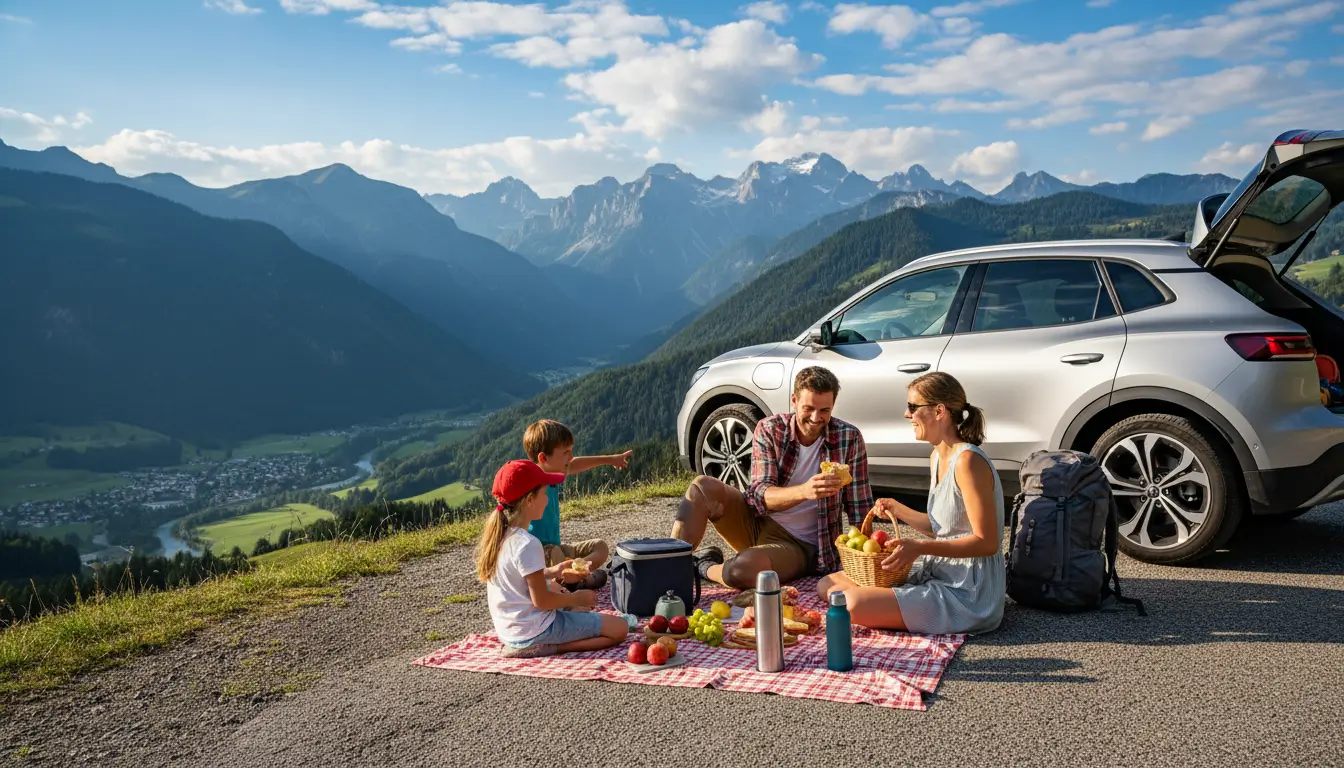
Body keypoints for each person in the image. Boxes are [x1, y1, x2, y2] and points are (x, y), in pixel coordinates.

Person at [817, 371, 1005, 635]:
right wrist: (897, 509)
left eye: (913, 407)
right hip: (941, 570)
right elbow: (944, 528)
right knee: (829, 582)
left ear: (939, 411)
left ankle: (887, 603)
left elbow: (987, 543)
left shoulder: (968, 461)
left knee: (852, 604)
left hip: (968, 590)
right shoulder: (937, 457)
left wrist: (918, 547)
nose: (907, 414)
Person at [673, 366, 874, 590]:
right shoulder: (770, 429)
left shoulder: (849, 437)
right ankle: (666, 567)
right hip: (756, 522)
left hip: (800, 545)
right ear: (794, 400)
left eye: (825, 410)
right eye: (808, 408)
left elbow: (860, 507)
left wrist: (869, 556)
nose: (816, 418)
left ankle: (703, 566)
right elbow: (759, 496)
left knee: (743, 570)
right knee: (702, 487)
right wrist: (804, 491)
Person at [476, 459, 628, 659]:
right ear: (529, 500)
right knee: (620, 628)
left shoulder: (501, 535)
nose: (547, 500)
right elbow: (542, 601)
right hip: (535, 631)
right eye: (544, 494)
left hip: (509, 632)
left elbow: (519, 577)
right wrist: (576, 597)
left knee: (581, 613)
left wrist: (552, 572)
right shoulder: (528, 543)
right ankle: (551, 647)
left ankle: (540, 642)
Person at [523, 419, 632, 592]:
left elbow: (576, 464)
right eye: (566, 452)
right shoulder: (531, 481)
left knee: (600, 546)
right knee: (554, 553)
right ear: (543, 458)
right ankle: (573, 582)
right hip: (539, 555)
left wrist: (611, 459)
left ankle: (579, 576)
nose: (571, 457)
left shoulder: (554, 472)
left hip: (557, 549)